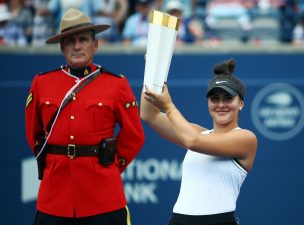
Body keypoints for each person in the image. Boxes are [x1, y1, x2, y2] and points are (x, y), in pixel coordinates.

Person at [25, 8, 145, 225]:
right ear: (62, 47)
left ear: (95, 45)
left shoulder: (116, 84)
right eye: (70, 41)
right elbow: (33, 134)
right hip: (55, 197)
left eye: (83, 40)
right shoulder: (42, 83)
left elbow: (134, 136)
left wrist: (109, 167)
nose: (77, 46)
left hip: (103, 196)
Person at [140, 59, 257, 225]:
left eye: (228, 98)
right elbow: (148, 114)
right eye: (215, 99)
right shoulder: (198, 133)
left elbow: (193, 142)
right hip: (178, 221)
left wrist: (169, 107)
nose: (221, 104)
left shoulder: (246, 138)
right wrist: (153, 70)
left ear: (241, 104)